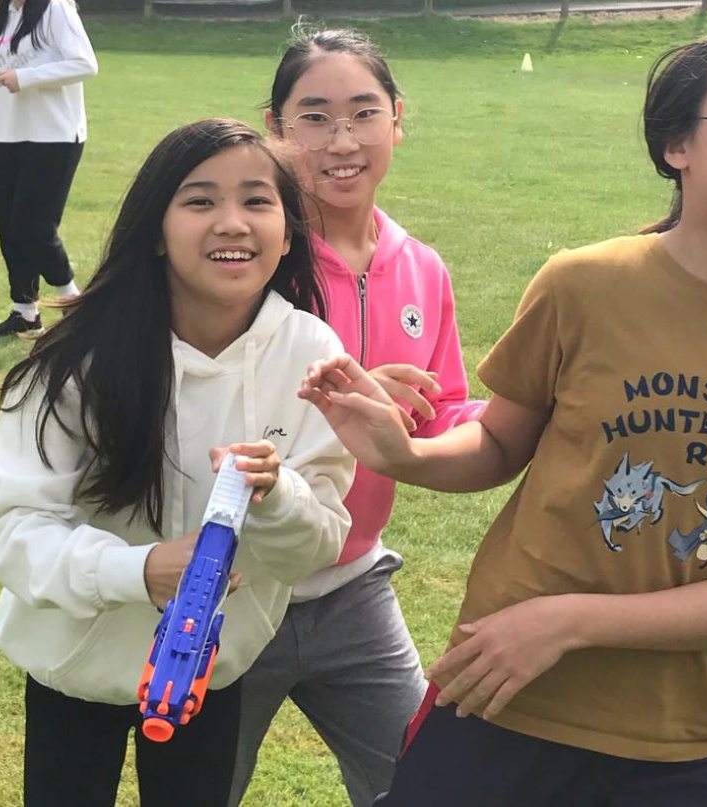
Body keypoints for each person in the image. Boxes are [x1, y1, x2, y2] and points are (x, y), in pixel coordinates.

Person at [299, 32, 707, 807]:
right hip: (507, 689)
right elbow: (503, 438)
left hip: (688, 732)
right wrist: (407, 454)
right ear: (677, 143)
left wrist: (570, 621)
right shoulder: (586, 285)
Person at [0, 118, 355, 807]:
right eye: (200, 201)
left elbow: (319, 539)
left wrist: (280, 496)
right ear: (155, 229)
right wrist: (140, 570)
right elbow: (13, 532)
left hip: (211, 668)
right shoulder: (78, 359)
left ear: (291, 230)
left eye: (258, 201)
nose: (232, 223)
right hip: (76, 663)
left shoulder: (311, 353)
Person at [228, 27, 485, 807]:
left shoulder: (421, 266)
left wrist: (538, 410)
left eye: (363, 112)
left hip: (353, 586)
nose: (342, 140)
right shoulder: (246, 259)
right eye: (313, 116)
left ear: (397, 119)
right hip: (235, 582)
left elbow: (439, 414)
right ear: (273, 125)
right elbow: (202, 417)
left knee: (426, 784)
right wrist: (343, 401)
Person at [0, 0, 97, 338]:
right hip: (10, 134)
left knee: (34, 226)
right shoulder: (2, 16)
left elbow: (85, 64)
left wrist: (26, 77)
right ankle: (25, 313)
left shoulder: (54, 9)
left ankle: (76, 304)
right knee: (9, 228)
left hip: (54, 134)